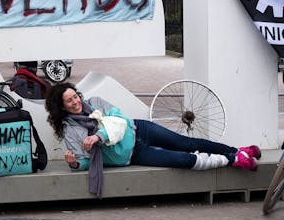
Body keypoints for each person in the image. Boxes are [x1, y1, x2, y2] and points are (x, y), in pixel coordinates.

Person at [44, 83, 260, 198]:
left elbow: (120, 119)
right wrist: (74, 163)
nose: (75, 102)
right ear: (61, 107)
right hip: (134, 155)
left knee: (187, 143)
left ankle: (238, 151)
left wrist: (99, 136)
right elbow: (84, 160)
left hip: (140, 129)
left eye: (75, 96)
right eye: (69, 101)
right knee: (182, 159)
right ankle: (233, 159)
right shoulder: (70, 131)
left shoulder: (95, 102)